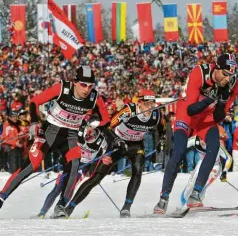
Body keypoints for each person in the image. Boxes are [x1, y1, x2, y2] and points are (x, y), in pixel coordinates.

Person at [0, 66, 110, 212]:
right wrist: (34, 121)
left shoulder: (93, 97)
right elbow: (35, 102)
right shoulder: (61, 89)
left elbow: (106, 119)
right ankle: (1, 197)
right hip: (49, 132)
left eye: (90, 86)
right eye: (83, 85)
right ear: (75, 82)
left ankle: (61, 205)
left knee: (74, 166)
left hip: (70, 136)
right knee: (30, 166)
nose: (87, 89)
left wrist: (94, 128)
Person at [154, 53, 238, 214]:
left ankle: (195, 193)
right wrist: (209, 99)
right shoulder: (199, 72)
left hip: (206, 117)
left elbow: (218, 117)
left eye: (232, 75)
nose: (228, 79)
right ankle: (163, 198)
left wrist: (221, 103)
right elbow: (191, 109)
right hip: (187, 113)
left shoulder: (233, 85)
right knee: (178, 152)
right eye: (226, 74)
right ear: (216, 68)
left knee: (214, 148)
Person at [64, 89, 164, 218]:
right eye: (147, 104)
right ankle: (70, 207)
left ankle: (126, 208)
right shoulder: (129, 111)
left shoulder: (156, 114)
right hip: (117, 143)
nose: (150, 107)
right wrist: (117, 140)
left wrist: (162, 139)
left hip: (136, 145)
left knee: (138, 169)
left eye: (152, 104)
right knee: (96, 178)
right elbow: (108, 127)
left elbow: (162, 128)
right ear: (139, 103)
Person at [34, 117, 109, 218]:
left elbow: (103, 155)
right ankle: (42, 213)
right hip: (71, 163)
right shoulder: (79, 132)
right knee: (58, 188)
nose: (89, 132)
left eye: (92, 129)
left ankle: (58, 211)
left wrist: (103, 158)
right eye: (88, 128)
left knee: (70, 188)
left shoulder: (102, 141)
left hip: (82, 167)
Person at [180, 135, 232, 206]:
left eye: (205, 140)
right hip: (202, 162)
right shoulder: (195, 140)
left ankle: (196, 201)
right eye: (201, 139)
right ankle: (182, 204)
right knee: (191, 184)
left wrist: (224, 171)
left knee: (203, 184)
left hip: (215, 165)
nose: (202, 142)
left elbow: (228, 158)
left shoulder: (216, 144)